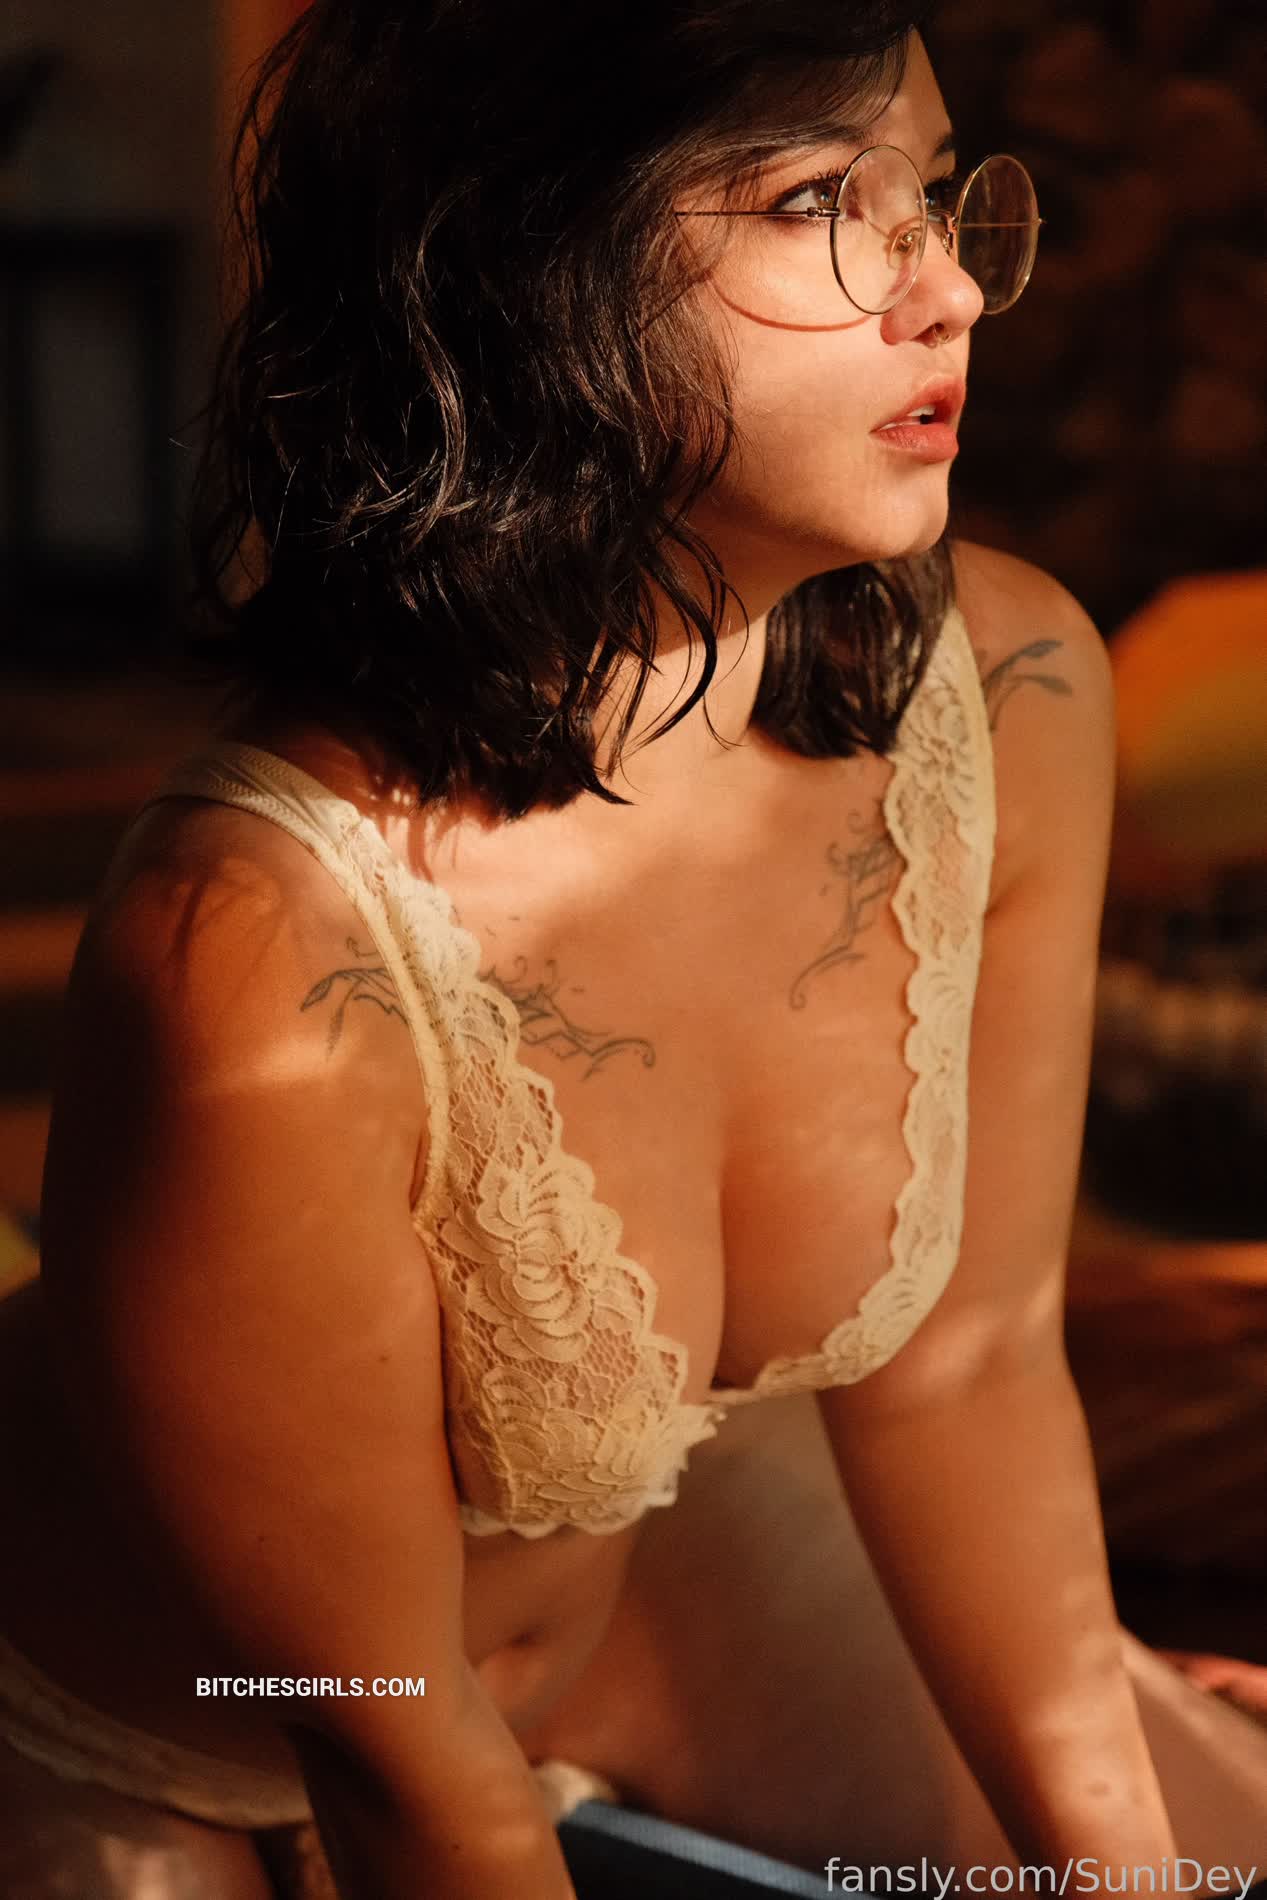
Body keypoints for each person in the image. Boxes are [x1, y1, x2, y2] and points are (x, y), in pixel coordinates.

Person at [1, 2, 1265, 1894]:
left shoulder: (1006, 686)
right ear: (532, 273)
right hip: (168, 1720)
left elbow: (971, 1368)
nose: (949, 294)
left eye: (932, 195)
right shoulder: (262, 959)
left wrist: (1124, 1874)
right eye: (819, 202)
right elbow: (389, 1740)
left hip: (630, 1605)